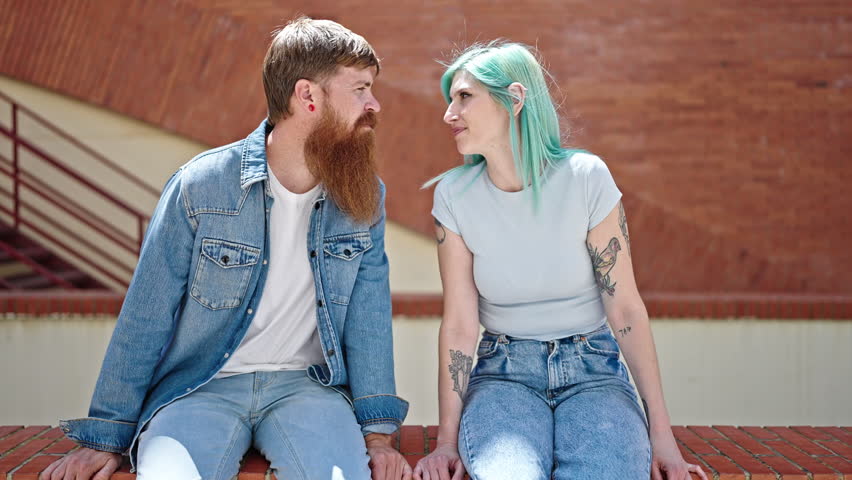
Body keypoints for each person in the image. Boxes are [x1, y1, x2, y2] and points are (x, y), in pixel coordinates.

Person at [41, 17, 411, 480]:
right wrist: (108, 434)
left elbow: (368, 318)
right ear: (308, 96)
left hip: (307, 391)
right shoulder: (202, 186)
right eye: (359, 89)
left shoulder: (364, 196)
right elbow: (147, 314)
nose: (374, 104)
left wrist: (378, 436)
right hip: (200, 387)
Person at [412, 41, 709, 480]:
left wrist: (663, 439)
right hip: (503, 377)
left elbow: (625, 308)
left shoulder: (587, 179)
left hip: (596, 373)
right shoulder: (454, 197)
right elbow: (459, 324)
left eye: (464, 97)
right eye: (450, 99)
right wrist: (447, 444)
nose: (449, 114)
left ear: (514, 99)